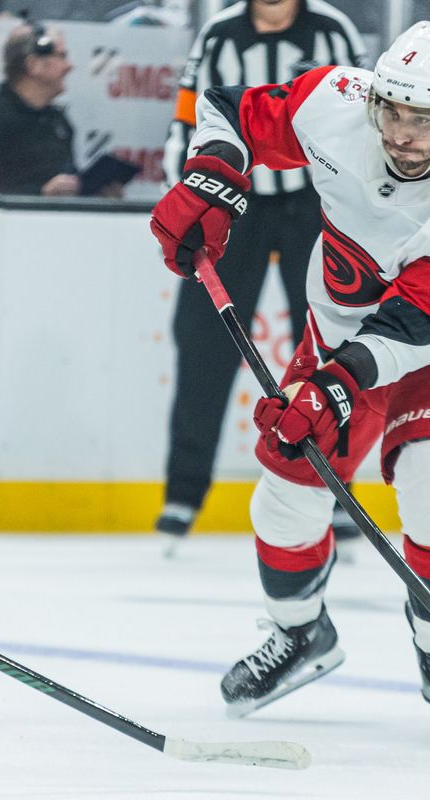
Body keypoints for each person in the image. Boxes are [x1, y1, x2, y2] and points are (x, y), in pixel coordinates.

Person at [149, 21, 430, 747]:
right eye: (392, 111)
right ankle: (299, 634)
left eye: (424, 119)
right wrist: (212, 174)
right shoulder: (335, 102)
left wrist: (334, 388)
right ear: (374, 95)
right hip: (344, 323)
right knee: (286, 484)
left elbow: (410, 328)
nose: (401, 134)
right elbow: (223, 106)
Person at [154, 0, 368, 548]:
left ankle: (334, 481)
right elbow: (189, 117)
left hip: (313, 207)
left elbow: (365, 122)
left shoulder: (334, 31)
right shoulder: (218, 34)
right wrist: (193, 196)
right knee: (204, 342)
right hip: (237, 203)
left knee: (332, 343)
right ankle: (183, 492)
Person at [0, 24, 126, 197]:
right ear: (33, 64)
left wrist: (95, 195)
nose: (69, 66)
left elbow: (68, 181)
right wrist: (40, 194)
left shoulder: (57, 121)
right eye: (61, 56)